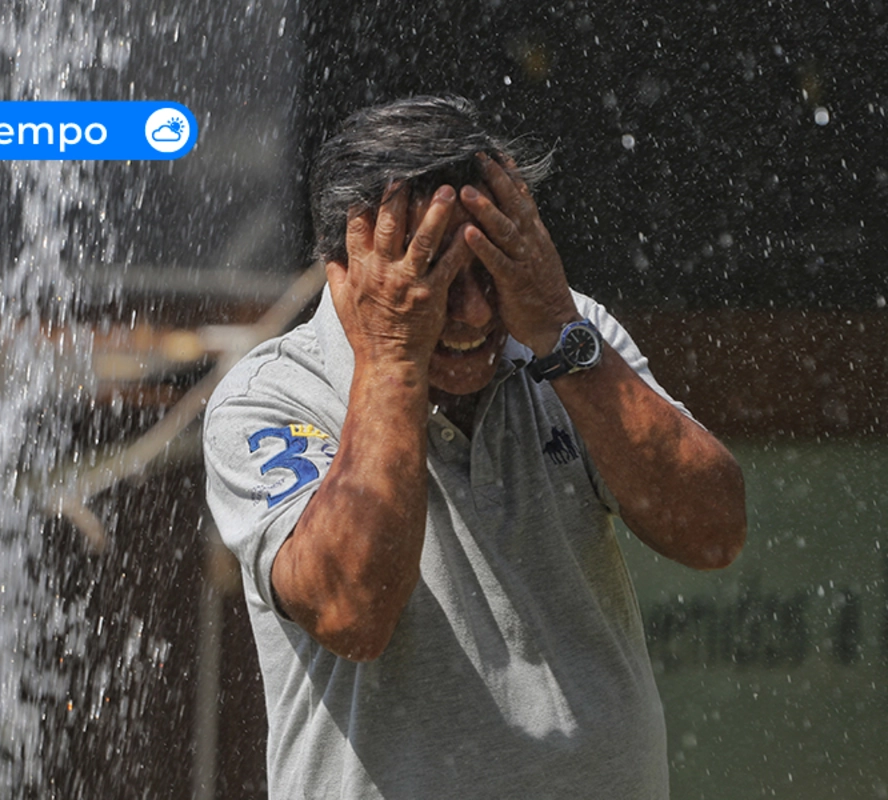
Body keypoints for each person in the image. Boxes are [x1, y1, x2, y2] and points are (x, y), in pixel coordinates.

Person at [203, 95, 746, 798]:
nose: (476, 313)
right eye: (434, 277)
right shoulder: (267, 396)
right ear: (350, 270)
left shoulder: (567, 333)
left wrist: (556, 327)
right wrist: (395, 356)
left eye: (489, 268)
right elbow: (352, 612)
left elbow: (713, 531)